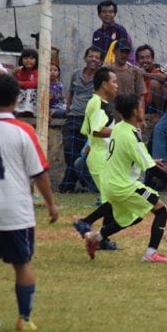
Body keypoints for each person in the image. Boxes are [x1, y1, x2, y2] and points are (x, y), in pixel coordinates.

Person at [80, 93, 167, 262]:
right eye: (141, 107)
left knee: (135, 215)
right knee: (162, 210)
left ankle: (95, 238)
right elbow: (152, 170)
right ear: (134, 111)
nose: (143, 110)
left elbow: (131, 155)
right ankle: (151, 254)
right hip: (124, 186)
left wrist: (150, 158)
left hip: (111, 184)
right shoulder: (131, 136)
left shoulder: (119, 128)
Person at [0, 73, 59, 331]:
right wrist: (51, 204)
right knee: (22, 263)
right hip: (15, 210)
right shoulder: (24, 131)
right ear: (17, 98)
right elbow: (39, 173)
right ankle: (24, 318)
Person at [72, 67, 121, 250]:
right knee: (113, 199)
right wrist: (122, 130)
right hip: (100, 157)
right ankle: (85, 223)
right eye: (114, 81)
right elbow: (97, 130)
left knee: (111, 199)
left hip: (103, 154)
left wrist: (90, 145)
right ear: (104, 84)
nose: (117, 85)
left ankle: (102, 239)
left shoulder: (99, 103)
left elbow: (88, 130)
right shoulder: (98, 104)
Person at [60, 46, 102, 193]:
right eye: (91, 56)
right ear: (85, 58)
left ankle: (67, 187)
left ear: (101, 62)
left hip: (89, 120)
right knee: (70, 152)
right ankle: (71, 186)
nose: (93, 60)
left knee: (84, 155)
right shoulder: (76, 74)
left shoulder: (100, 78)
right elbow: (71, 93)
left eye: (97, 58)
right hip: (73, 117)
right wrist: (68, 109)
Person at [92, 0, 133, 64]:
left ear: (114, 14)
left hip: (115, 67)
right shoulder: (96, 33)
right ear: (99, 14)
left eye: (110, 12)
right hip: (100, 68)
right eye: (104, 12)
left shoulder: (120, 30)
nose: (107, 14)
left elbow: (124, 52)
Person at [136, 44, 167, 123]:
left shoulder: (158, 67)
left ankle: (159, 114)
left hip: (159, 102)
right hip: (144, 103)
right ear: (137, 60)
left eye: (148, 57)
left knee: (154, 83)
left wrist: (145, 74)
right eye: (142, 58)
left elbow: (164, 77)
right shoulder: (136, 71)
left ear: (152, 58)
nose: (145, 60)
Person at [13, 49, 39, 116]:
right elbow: (16, 83)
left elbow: (35, 84)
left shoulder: (37, 72)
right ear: (21, 60)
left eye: (31, 58)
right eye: (25, 58)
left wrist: (21, 83)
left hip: (34, 96)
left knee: (30, 91)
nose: (28, 60)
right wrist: (15, 75)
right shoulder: (20, 71)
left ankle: (29, 110)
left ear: (36, 60)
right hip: (22, 94)